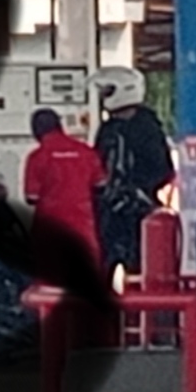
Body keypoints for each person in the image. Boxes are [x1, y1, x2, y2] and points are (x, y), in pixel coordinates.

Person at [88, 66, 175, 279]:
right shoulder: (112, 128)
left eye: (108, 91)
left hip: (134, 211)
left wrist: (136, 190)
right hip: (113, 210)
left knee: (139, 266)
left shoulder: (144, 128)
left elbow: (162, 169)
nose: (103, 97)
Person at [23, 108, 109, 291]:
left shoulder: (36, 157)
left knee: (49, 287)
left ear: (36, 131)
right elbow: (101, 185)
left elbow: (31, 197)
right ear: (60, 126)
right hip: (84, 227)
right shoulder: (86, 152)